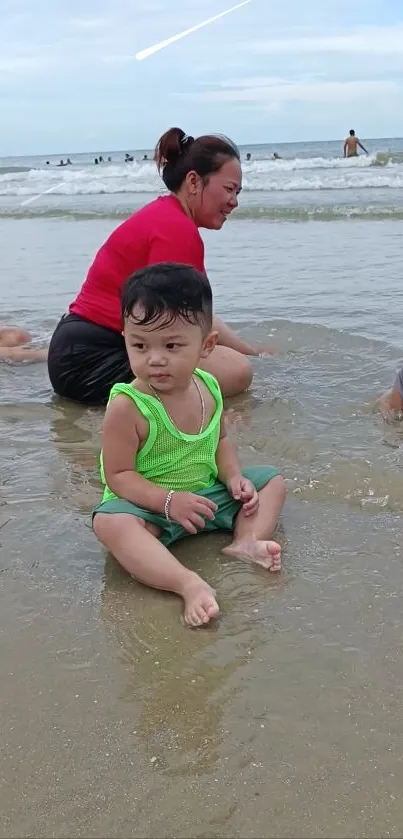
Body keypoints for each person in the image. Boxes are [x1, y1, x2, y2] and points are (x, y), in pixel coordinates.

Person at [92, 264, 286, 627]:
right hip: (149, 509)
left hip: (204, 497)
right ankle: (186, 583)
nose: (155, 358)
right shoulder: (128, 405)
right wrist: (167, 501)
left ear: (207, 346)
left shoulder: (210, 388)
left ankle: (246, 542)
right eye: (139, 345)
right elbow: (118, 476)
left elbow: (220, 442)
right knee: (109, 523)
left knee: (271, 481)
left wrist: (233, 479)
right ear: (125, 340)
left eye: (172, 345)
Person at [48, 126, 274, 405]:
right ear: (194, 182)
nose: (234, 202)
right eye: (229, 189)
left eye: (237, 192)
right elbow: (178, 329)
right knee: (236, 371)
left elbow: (196, 315)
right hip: (90, 361)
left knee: (230, 360)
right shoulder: (176, 229)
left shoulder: (167, 215)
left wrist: (250, 350)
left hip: (75, 352)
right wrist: (247, 357)